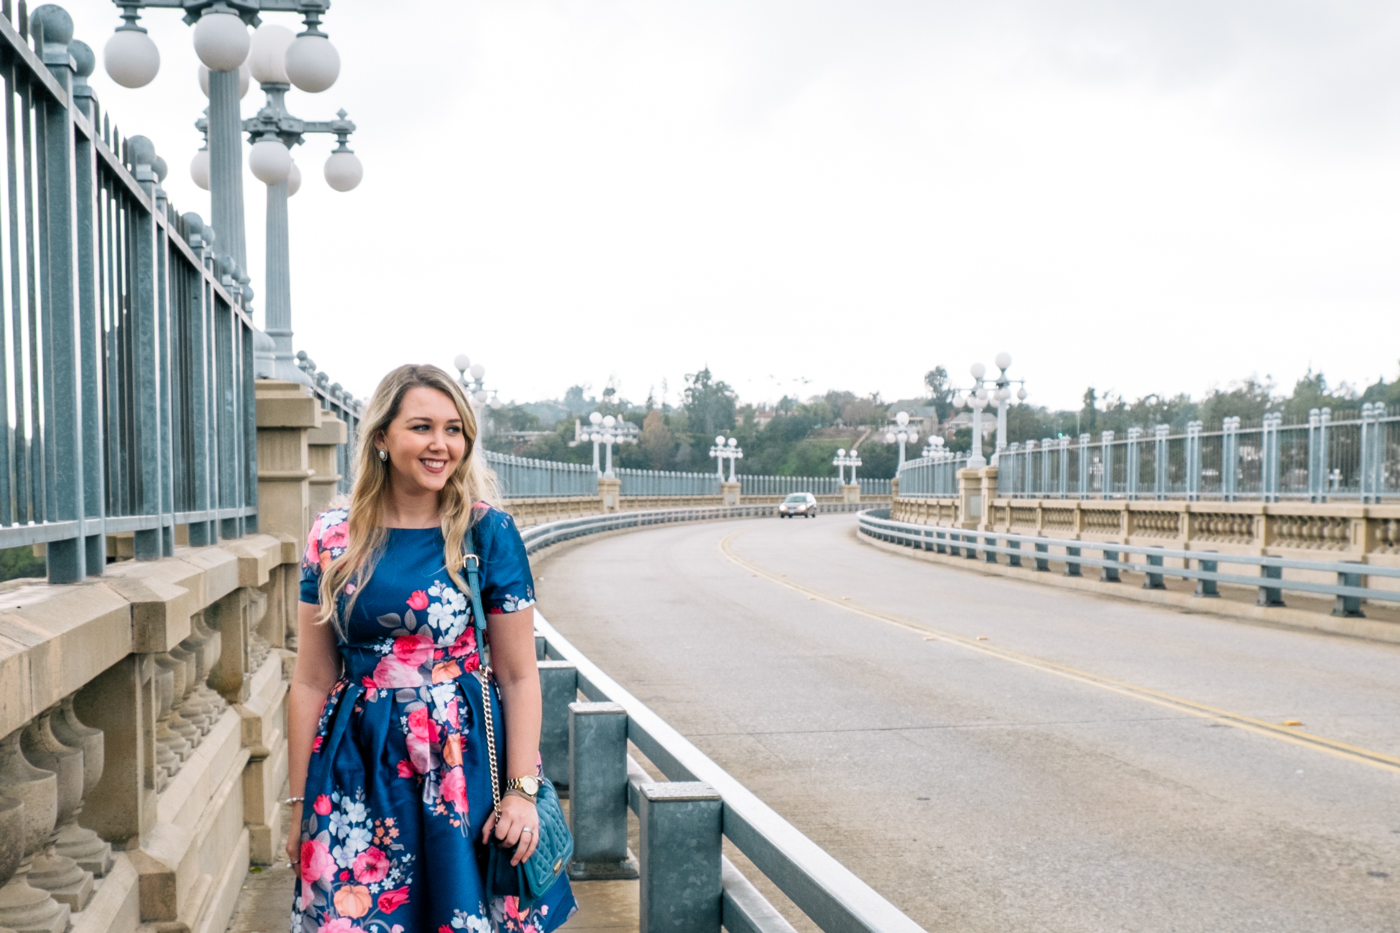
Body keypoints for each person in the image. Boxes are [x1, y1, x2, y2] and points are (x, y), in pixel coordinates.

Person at [286, 364, 577, 933]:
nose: (441, 444)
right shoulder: (331, 537)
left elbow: (519, 676)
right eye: (422, 427)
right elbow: (311, 679)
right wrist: (298, 807)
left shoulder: (486, 533)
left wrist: (520, 794)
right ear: (381, 439)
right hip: (355, 764)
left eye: (454, 429)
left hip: (462, 763)